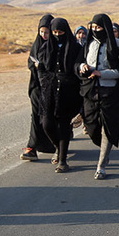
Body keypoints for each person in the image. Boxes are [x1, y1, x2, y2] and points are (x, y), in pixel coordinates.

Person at [76, 13, 119, 180]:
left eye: (99, 28)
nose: (95, 31)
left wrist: (101, 74)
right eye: (93, 28)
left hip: (110, 93)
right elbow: (77, 62)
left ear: (106, 28)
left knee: (107, 129)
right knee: (92, 127)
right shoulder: (88, 44)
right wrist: (81, 67)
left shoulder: (117, 45)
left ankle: (101, 165)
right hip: (90, 92)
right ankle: (100, 146)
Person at [37, 18, 83, 172]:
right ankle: (59, 147)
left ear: (66, 32)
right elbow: (41, 68)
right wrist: (44, 79)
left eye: (60, 32)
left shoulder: (75, 48)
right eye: (55, 32)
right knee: (47, 124)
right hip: (49, 91)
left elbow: (76, 68)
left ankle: (62, 161)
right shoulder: (46, 47)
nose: (57, 35)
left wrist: (68, 79)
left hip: (67, 92)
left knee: (63, 125)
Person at [21, 14, 56, 161]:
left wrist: (43, 66)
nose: (43, 35)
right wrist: (35, 66)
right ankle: (32, 148)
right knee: (36, 116)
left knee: (49, 118)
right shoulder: (37, 45)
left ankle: (58, 146)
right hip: (37, 87)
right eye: (41, 32)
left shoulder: (56, 46)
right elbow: (30, 62)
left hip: (52, 88)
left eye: (47, 32)